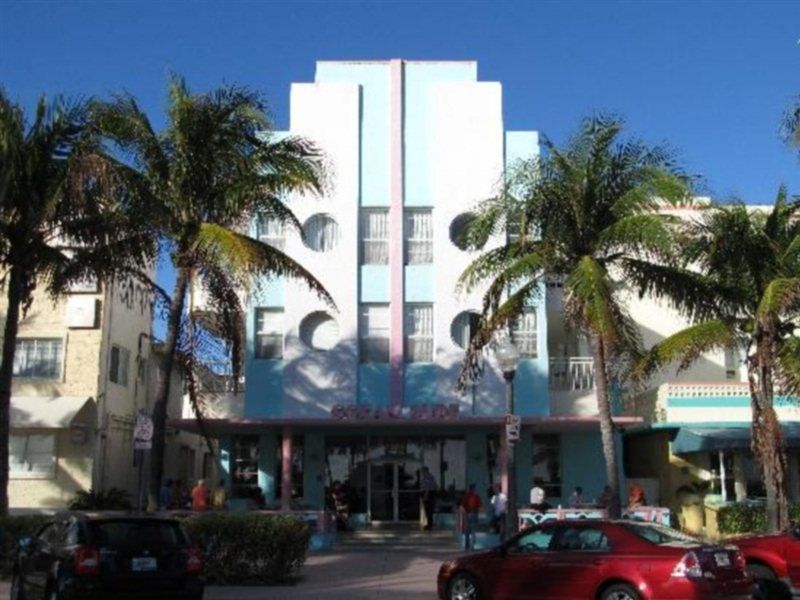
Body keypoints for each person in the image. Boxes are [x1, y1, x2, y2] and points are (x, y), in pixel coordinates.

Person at [461, 483, 483, 550]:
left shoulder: (467, 496)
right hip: (474, 514)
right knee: (473, 531)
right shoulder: (476, 496)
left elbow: (462, 506)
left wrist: (464, 513)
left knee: (467, 531)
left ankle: (467, 545)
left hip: (468, 514)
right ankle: (472, 545)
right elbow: (480, 506)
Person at [420, 467, 437, 531]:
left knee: (428, 511)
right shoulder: (431, 477)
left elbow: (427, 487)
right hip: (430, 495)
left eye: (422, 471)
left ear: (425, 471)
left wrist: (425, 496)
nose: (422, 472)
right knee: (429, 511)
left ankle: (429, 525)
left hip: (428, 495)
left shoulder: (427, 477)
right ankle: (429, 524)